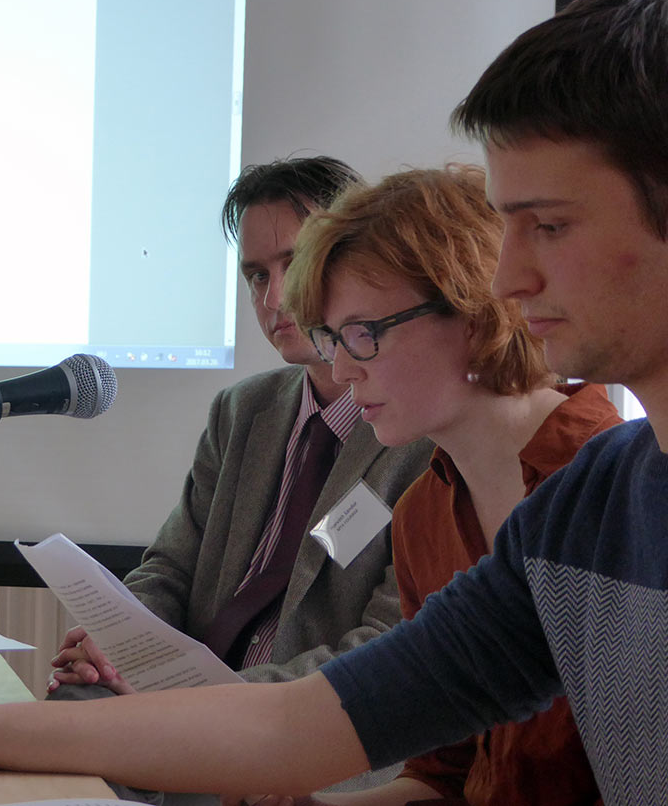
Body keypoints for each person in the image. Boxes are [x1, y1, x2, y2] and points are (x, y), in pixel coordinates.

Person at [0, 0, 668, 802]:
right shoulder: (586, 513)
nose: (508, 281)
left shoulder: (569, 482)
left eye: (548, 226)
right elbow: (315, 727)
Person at [256, 163, 621, 806]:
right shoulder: (421, 513)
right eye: (331, 338)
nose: (341, 368)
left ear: (475, 316)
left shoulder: (612, 487)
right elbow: (443, 776)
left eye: (364, 334)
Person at [49, 158, 432, 707]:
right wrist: (117, 644)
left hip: (300, 733)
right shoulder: (242, 410)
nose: (274, 298)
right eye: (257, 276)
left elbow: (388, 648)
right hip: (179, 712)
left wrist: (209, 700)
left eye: (294, 263)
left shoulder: (423, 438)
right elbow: (169, 569)